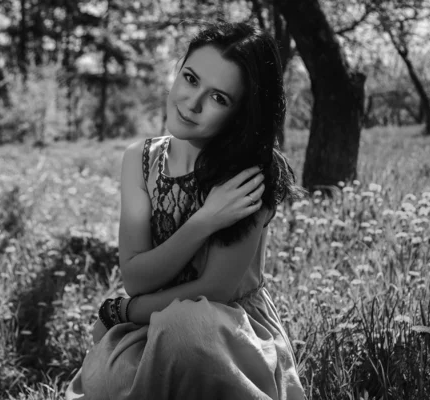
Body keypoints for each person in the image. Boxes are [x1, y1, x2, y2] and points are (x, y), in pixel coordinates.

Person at [65, 20, 306, 400]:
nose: (192, 103)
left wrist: (123, 312)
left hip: (222, 329)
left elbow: (214, 289)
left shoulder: (251, 172)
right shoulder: (139, 160)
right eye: (190, 79)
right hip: (151, 315)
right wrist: (205, 220)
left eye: (218, 98)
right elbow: (136, 276)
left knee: (186, 329)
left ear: (242, 112)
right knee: (108, 377)